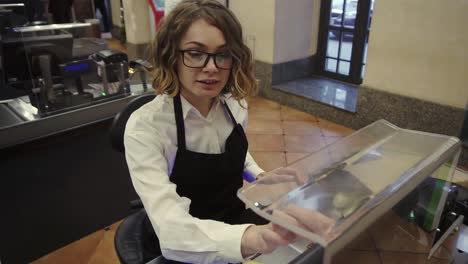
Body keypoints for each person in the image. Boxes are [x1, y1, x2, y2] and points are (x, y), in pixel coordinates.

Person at [124, 1, 333, 263]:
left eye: (222, 55)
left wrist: (258, 175)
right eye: (195, 53)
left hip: (235, 220)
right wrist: (256, 239)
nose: (211, 67)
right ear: (171, 56)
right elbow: (171, 228)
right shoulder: (146, 127)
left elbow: (235, 153)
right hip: (184, 242)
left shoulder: (235, 105)